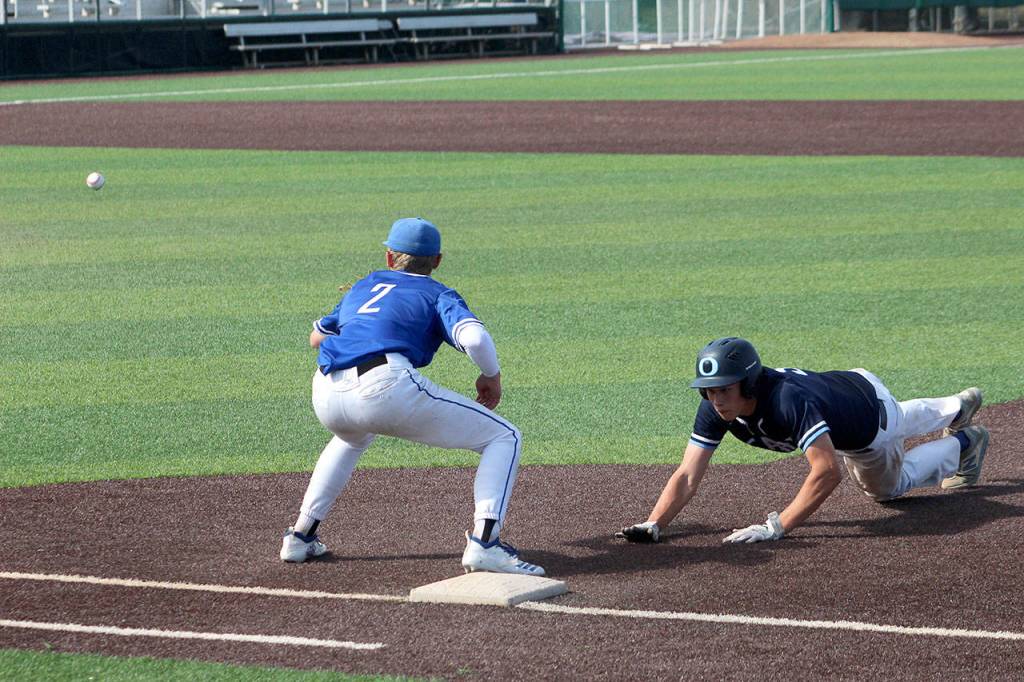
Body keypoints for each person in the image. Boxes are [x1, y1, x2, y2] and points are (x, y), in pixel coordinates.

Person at [281, 217, 544, 576]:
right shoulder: (437, 293)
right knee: (504, 436)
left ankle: (300, 536)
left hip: (326, 391)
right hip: (383, 387)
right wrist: (490, 376)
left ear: (390, 257)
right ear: (437, 261)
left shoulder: (365, 285)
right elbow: (475, 338)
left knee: (351, 437)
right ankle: (485, 544)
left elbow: (317, 338)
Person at [617, 337, 990, 545]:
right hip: (850, 390)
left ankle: (963, 445)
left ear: (748, 384)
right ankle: (957, 406)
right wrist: (654, 523)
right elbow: (687, 474)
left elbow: (827, 471)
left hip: (866, 424)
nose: (716, 399)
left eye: (725, 389)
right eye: (709, 391)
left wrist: (777, 527)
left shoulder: (786, 400)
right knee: (896, 415)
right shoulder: (717, 409)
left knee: (887, 488)